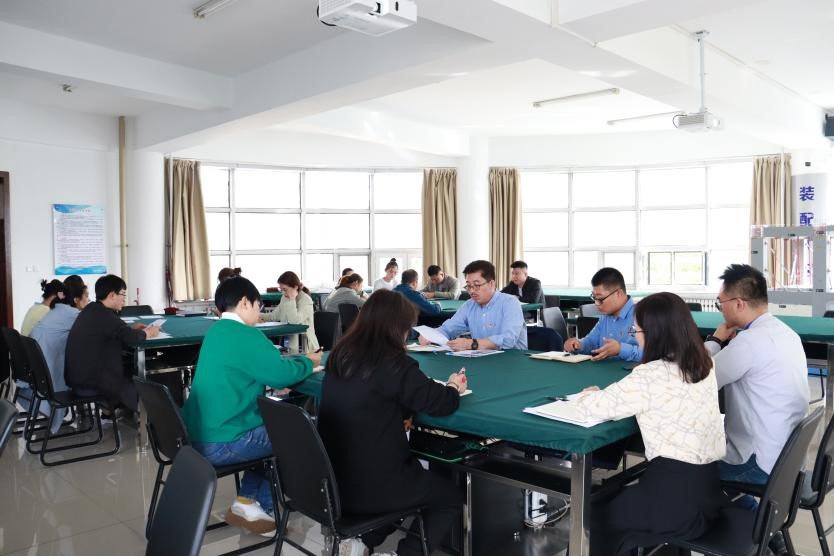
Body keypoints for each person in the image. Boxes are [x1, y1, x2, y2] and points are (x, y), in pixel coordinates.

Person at [574, 292, 727, 556]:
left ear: (656, 334)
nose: (635, 336)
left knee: (595, 515)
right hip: (709, 491)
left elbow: (593, 407)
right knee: (617, 499)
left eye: (637, 330)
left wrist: (590, 394)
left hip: (674, 503)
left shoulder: (650, 375)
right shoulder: (705, 362)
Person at [318, 290, 466, 556]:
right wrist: (454, 385)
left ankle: (361, 542)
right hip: (374, 486)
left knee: (408, 484)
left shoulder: (340, 357)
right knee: (449, 497)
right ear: (398, 328)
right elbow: (442, 402)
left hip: (332, 483)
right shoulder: (395, 364)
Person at [182, 276, 322, 536]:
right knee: (298, 435)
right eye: (259, 307)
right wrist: (309, 362)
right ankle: (265, 511)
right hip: (224, 439)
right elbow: (281, 374)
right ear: (245, 303)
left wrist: (273, 378)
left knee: (270, 433)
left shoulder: (216, 332)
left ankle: (247, 503)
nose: (259, 314)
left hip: (198, 436)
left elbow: (245, 372)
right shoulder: (246, 335)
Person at [706, 264, 809, 496]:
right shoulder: (788, 334)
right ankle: (741, 509)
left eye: (720, 303)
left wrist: (715, 340)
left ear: (738, 304)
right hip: (788, 458)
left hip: (759, 464)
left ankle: (733, 511)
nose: (720, 310)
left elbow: (698, 380)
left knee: (689, 470)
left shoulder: (749, 343)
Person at [64, 274, 160, 412]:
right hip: (90, 385)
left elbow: (114, 330)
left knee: (126, 371)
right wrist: (149, 332)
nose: (124, 299)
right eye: (123, 294)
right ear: (112, 295)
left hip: (78, 380)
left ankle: (121, 411)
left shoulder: (92, 309)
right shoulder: (105, 315)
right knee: (139, 382)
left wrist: (130, 328)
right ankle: (149, 415)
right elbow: (131, 338)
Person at [419, 260, 527, 351]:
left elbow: (508, 339)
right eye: (469, 286)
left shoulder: (510, 303)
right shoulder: (469, 305)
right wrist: (431, 335)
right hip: (482, 360)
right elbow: (449, 328)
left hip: (512, 361)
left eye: (476, 285)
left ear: (491, 284)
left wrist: (472, 344)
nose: (471, 291)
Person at [30, 278, 90, 432]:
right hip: (47, 372)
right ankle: (108, 409)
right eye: (86, 296)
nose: (89, 300)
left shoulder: (58, 310)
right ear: (76, 299)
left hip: (36, 370)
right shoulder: (73, 314)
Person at [563, 267, 642, 362]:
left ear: (618, 293)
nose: (596, 303)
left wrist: (621, 349)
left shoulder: (643, 315)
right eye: (594, 298)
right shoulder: (606, 317)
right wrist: (578, 344)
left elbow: (653, 354)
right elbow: (592, 341)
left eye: (600, 299)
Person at [262, 271, 319, 352]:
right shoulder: (284, 298)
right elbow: (273, 316)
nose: (283, 293)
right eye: (281, 290)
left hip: (305, 347)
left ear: (295, 287)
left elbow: (294, 321)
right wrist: (256, 315)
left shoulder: (306, 300)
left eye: (285, 289)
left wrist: (292, 299)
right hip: (288, 343)